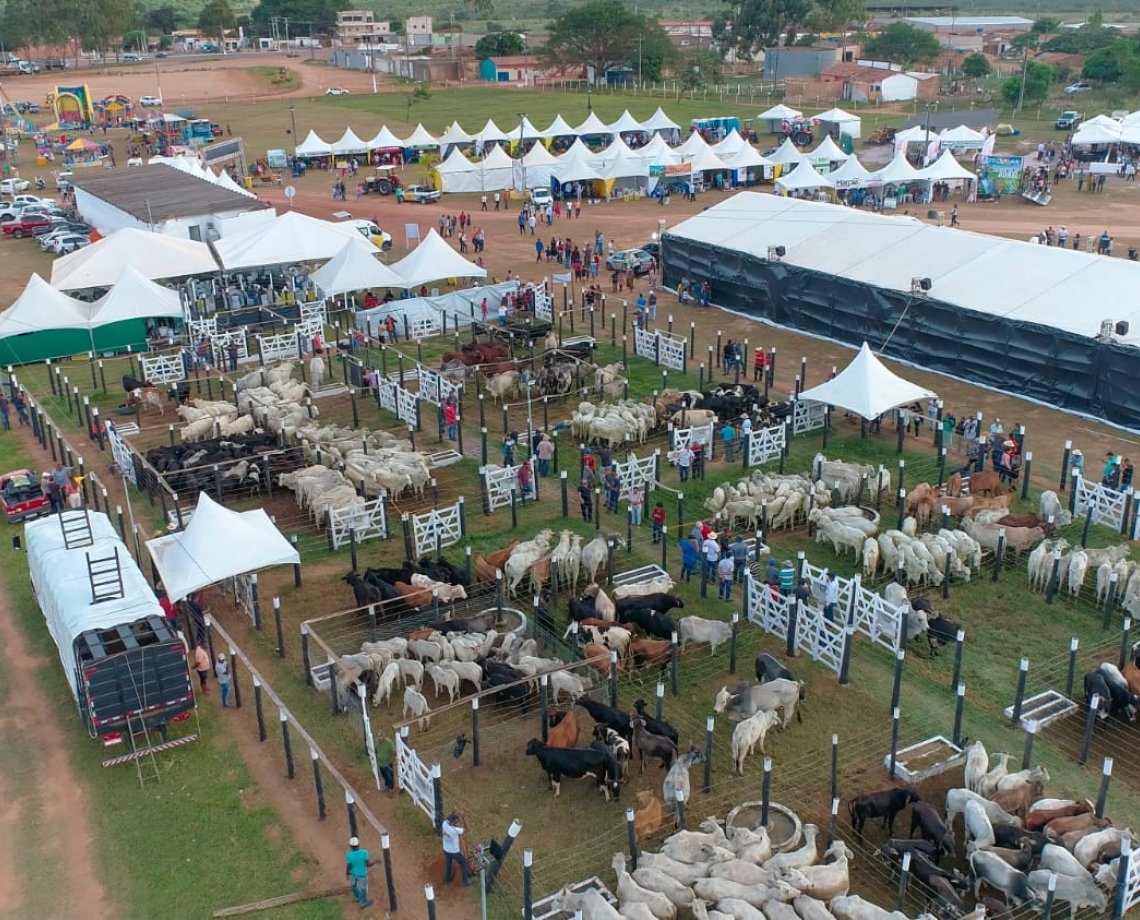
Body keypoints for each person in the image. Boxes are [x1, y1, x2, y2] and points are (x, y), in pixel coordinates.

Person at [345, 836, 375, 908]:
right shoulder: (364, 852)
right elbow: (368, 864)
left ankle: (357, 897)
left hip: (353, 874)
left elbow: (349, 866)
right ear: (359, 844)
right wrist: (376, 861)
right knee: (363, 888)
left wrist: (347, 874)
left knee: (354, 886)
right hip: (362, 874)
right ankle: (363, 903)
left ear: (350, 846)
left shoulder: (349, 855)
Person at [441, 812, 469, 886]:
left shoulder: (444, 823)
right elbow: (466, 829)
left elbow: (450, 817)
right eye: (456, 821)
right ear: (453, 821)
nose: (457, 822)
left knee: (448, 864)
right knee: (463, 862)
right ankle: (465, 882)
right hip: (454, 851)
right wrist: (464, 818)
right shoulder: (455, 831)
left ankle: (447, 879)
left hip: (445, 849)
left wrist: (454, 812)